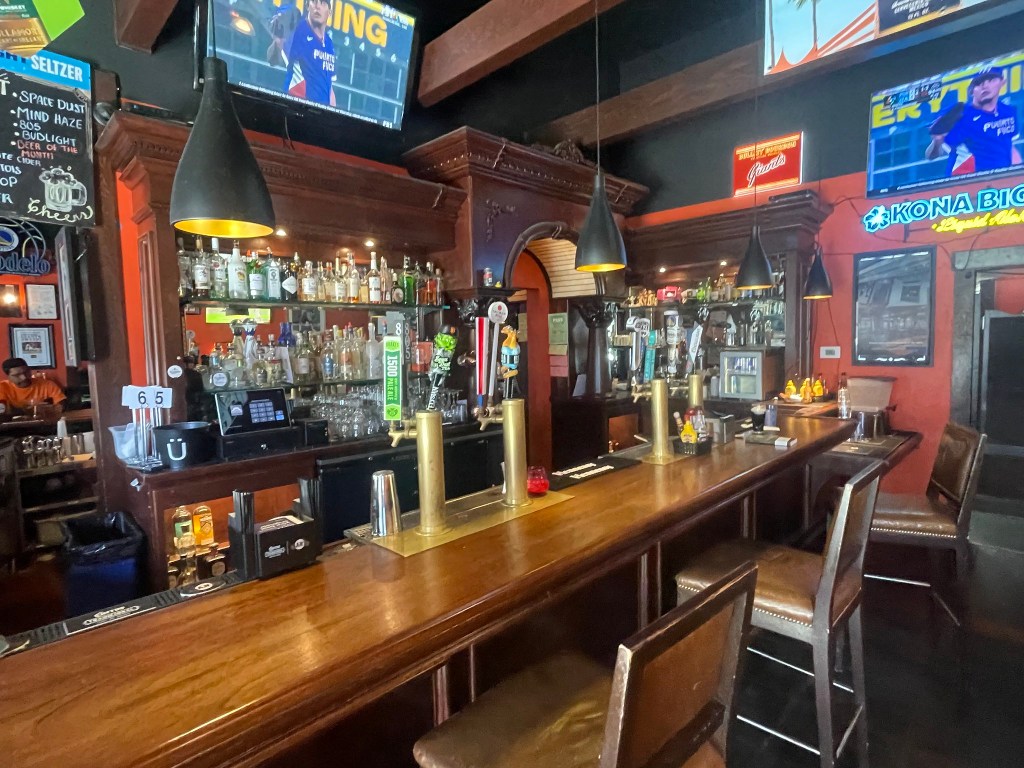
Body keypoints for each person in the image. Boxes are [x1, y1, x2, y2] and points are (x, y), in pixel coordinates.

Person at [926, 67, 1021, 176]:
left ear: (1002, 82)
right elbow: (931, 156)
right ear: (972, 91)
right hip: (966, 181)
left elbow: (1009, 146)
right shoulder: (960, 114)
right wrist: (937, 141)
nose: (985, 86)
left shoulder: (1008, 111)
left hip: (1001, 180)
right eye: (978, 83)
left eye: (991, 80)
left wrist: (1017, 175)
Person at [283, 0, 337, 107]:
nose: (317, 6)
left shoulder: (329, 43)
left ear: (329, 12)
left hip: (320, 114)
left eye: (322, 3)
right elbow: (278, 51)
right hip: (295, 106)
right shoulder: (298, 31)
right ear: (307, 6)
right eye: (314, 1)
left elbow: (328, 85)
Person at [0, 358, 65, 417]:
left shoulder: (47, 385)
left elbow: (61, 406)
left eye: (26, 372)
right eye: (17, 375)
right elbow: (2, 412)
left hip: (43, 424)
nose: (24, 377)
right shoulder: (2, 387)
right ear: (8, 376)